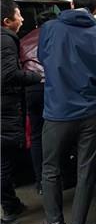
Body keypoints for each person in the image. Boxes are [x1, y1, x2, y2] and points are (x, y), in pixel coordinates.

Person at [27, 0, 96, 224]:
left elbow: (43, 58)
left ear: (70, 5)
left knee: (50, 168)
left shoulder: (50, 29)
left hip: (56, 112)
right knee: (86, 170)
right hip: (90, 113)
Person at [1, 0, 42, 224]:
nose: (23, 19)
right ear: (7, 21)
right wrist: (35, 77)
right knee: (3, 163)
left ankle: (12, 204)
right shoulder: (6, 40)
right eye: (19, 15)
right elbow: (8, 75)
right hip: (4, 109)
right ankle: (8, 210)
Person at [20, 11, 57, 195]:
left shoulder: (24, 40)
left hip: (31, 89)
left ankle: (40, 182)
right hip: (52, 88)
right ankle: (55, 179)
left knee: (36, 136)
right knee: (56, 133)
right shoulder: (57, 36)